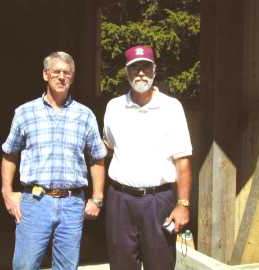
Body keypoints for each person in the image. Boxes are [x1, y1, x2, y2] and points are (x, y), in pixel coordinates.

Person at [1, 51, 107, 270]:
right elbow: (10, 153)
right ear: (45, 74)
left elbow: (97, 158)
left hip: (72, 204)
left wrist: (97, 198)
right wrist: (7, 192)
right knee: (25, 265)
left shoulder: (85, 115)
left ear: (72, 77)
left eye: (67, 73)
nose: (61, 77)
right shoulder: (24, 113)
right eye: (56, 72)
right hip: (35, 202)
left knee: (67, 267)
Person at [103, 45, 193, 270]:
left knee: (160, 264)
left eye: (146, 67)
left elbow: (182, 161)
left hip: (158, 201)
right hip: (120, 200)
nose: (140, 73)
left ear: (155, 70)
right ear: (127, 72)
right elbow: (106, 147)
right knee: (121, 265)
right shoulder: (114, 107)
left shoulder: (172, 108)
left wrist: (183, 204)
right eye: (135, 68)